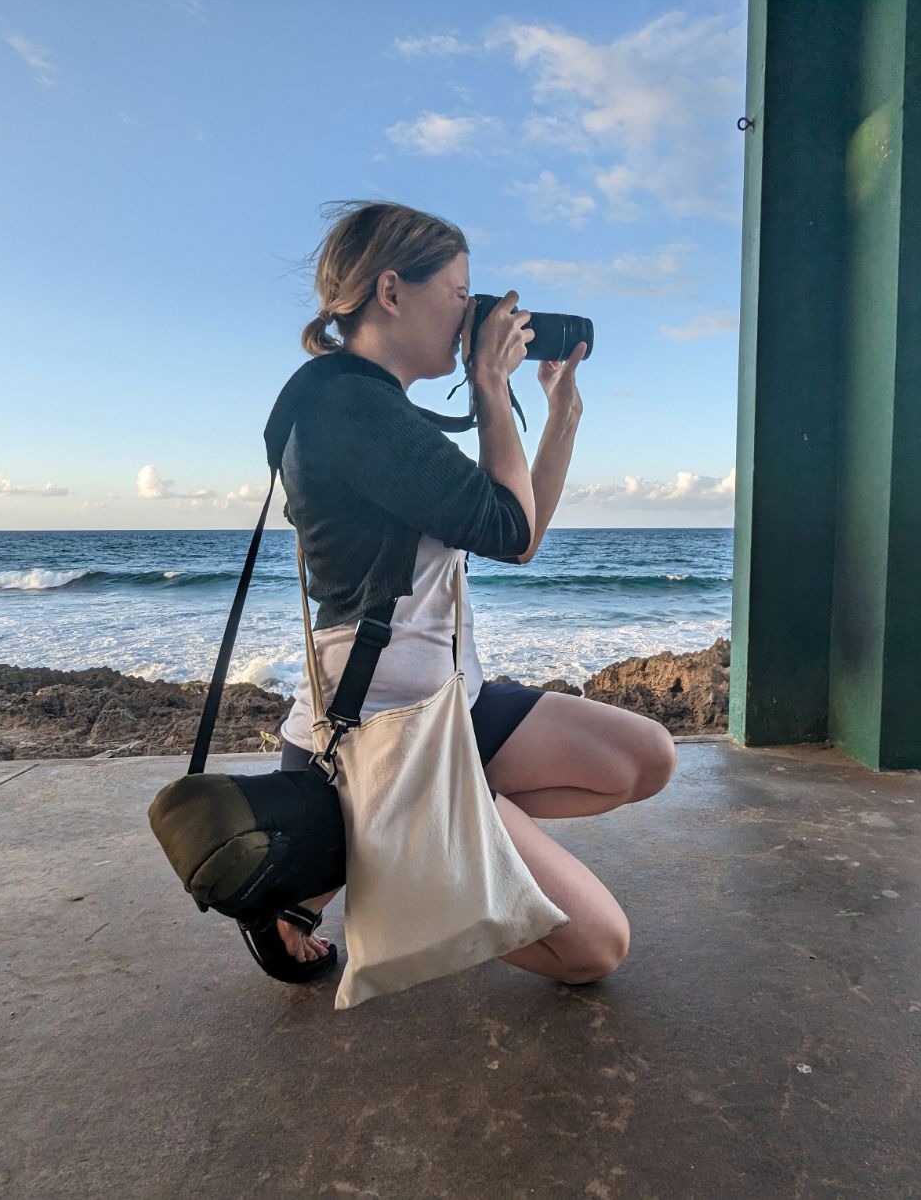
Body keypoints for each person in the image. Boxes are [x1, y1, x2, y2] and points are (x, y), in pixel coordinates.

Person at [263, 200, 675, 986]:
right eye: (458, 292)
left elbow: (516, 537)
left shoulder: (378, 407)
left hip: (450, 704)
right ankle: (378, 850)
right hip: (382, 734)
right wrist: (488, 382)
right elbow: (508, 526)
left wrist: (561, 416)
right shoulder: (344, 405)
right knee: (594, 951)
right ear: (391, 291)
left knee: (644, 759)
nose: (471, 313)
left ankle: (433, 834)